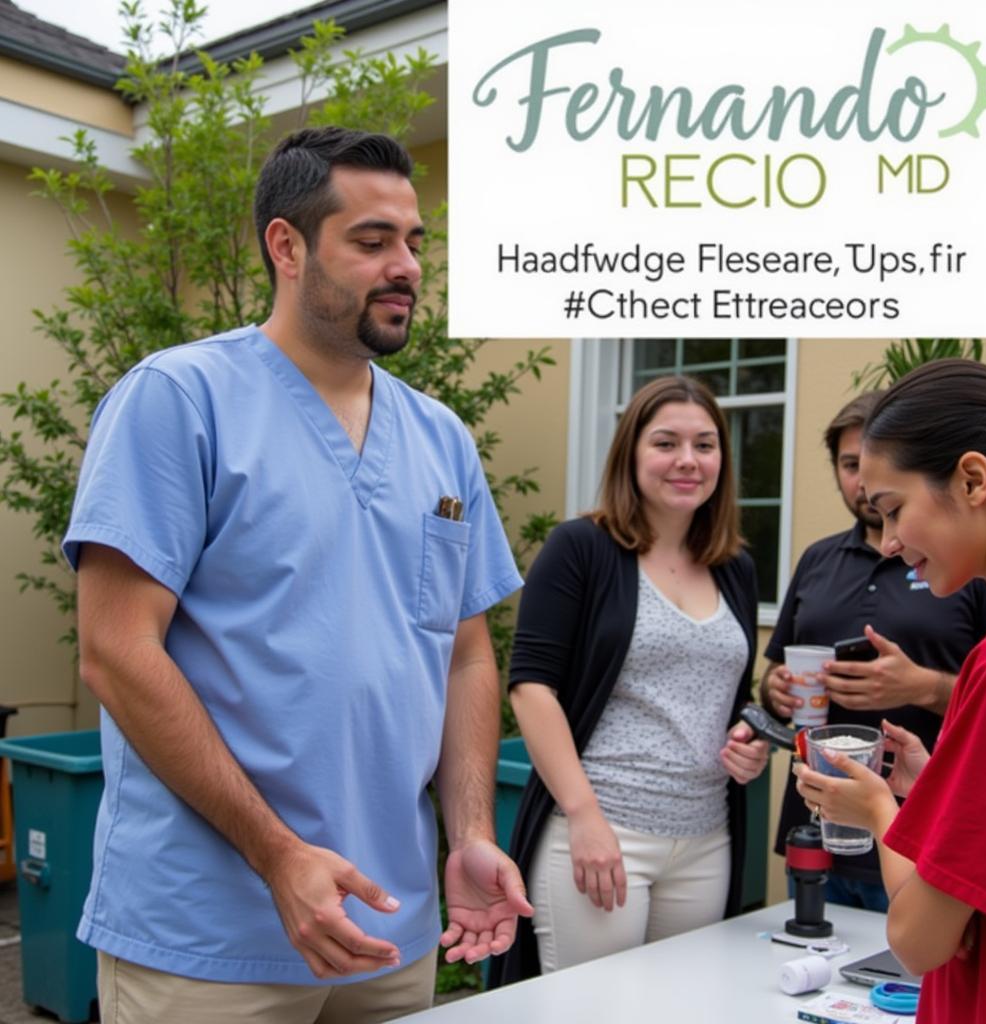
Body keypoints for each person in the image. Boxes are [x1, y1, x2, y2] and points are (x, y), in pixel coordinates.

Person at [63, 127, 531, 1023]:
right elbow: (116, 652)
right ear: (287, 246)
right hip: (208, 934)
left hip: (387, 928)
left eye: (414, 242)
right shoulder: (180, 400)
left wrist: (468, 833)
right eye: (371, 241)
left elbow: (466, 653)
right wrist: (280, 856)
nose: (406, 267)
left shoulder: (441, 438)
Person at [489, 375, 769, 986]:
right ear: (631, 452)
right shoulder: (581, 548)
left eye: (705, 444)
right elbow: (532, 687)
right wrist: (583, 815)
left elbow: (731, 697)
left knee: (683, 1006)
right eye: (666, 443)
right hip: (601, 832)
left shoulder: (735, 567)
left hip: (704, 838)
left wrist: (749, 740)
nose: (688, 461)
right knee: (597, 1007)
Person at [794, 359, 986, 1024]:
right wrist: (938, 798)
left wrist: (879, 814)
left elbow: (919, 940)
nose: (889, 544)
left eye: (894, 510)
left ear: (973, 479)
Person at [761, 391, 986, 911]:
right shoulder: (817, 559)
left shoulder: (965, 563)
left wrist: (924, 685)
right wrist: (777, 687)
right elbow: (776, 668)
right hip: (817, 827)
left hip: (924, 827)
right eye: (849, 465)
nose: (862, 486)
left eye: (895, 505)